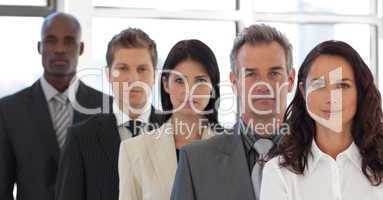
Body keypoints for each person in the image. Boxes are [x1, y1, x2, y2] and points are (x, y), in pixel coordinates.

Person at [260, 40, 383, 200]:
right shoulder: (278, 173)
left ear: (359, 92)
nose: (331, 98)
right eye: (319, 85)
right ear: (303, 92)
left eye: (342, 86)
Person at [170, 24, 296, 200]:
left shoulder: (319, 155)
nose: (263, 85)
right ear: (234, 82)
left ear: (290, 80)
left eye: (274, 73)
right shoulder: (195, 161)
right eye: (251, 74)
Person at [0, 12, 110, 200]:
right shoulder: (9, 110)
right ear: (40, 47)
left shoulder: (106, 108)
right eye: (51, 40)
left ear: (81, 48)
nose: (59, 49)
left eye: (68, 41)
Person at [55, 28, 166, 200]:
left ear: (155, 75)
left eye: (142, 69)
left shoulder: (173, 130)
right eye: (123, 68)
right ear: (108, 74)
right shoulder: (81, 138)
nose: (133, 78)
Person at [118, 39, 223, 200]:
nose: (189, 90)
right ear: (166, 84)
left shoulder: (232, 149)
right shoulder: (134, 151)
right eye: (180, 80)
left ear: (212, 87)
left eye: (200, 80)